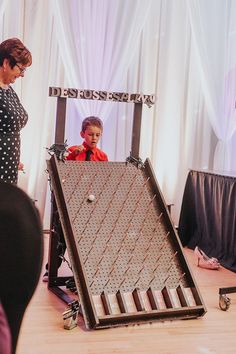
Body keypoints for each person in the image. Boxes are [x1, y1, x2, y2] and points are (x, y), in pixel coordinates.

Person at [43, 116, 108, 281]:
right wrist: (73, 156)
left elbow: (103, 178)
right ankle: (51, 270)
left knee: (84, 238)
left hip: (88, 202)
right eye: (90, 134)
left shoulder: (101, 156)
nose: (94, 138)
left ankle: (80, 275)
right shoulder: (72, 150)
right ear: (82, 134)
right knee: (62, 235)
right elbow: (62, 171)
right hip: (70, 199)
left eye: (97, 135)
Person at [0, 38, 32, 184]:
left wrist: (12, 159)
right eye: (21, 68)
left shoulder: (8, 90)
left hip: (8, 168)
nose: (22, 74)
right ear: (6, 63)